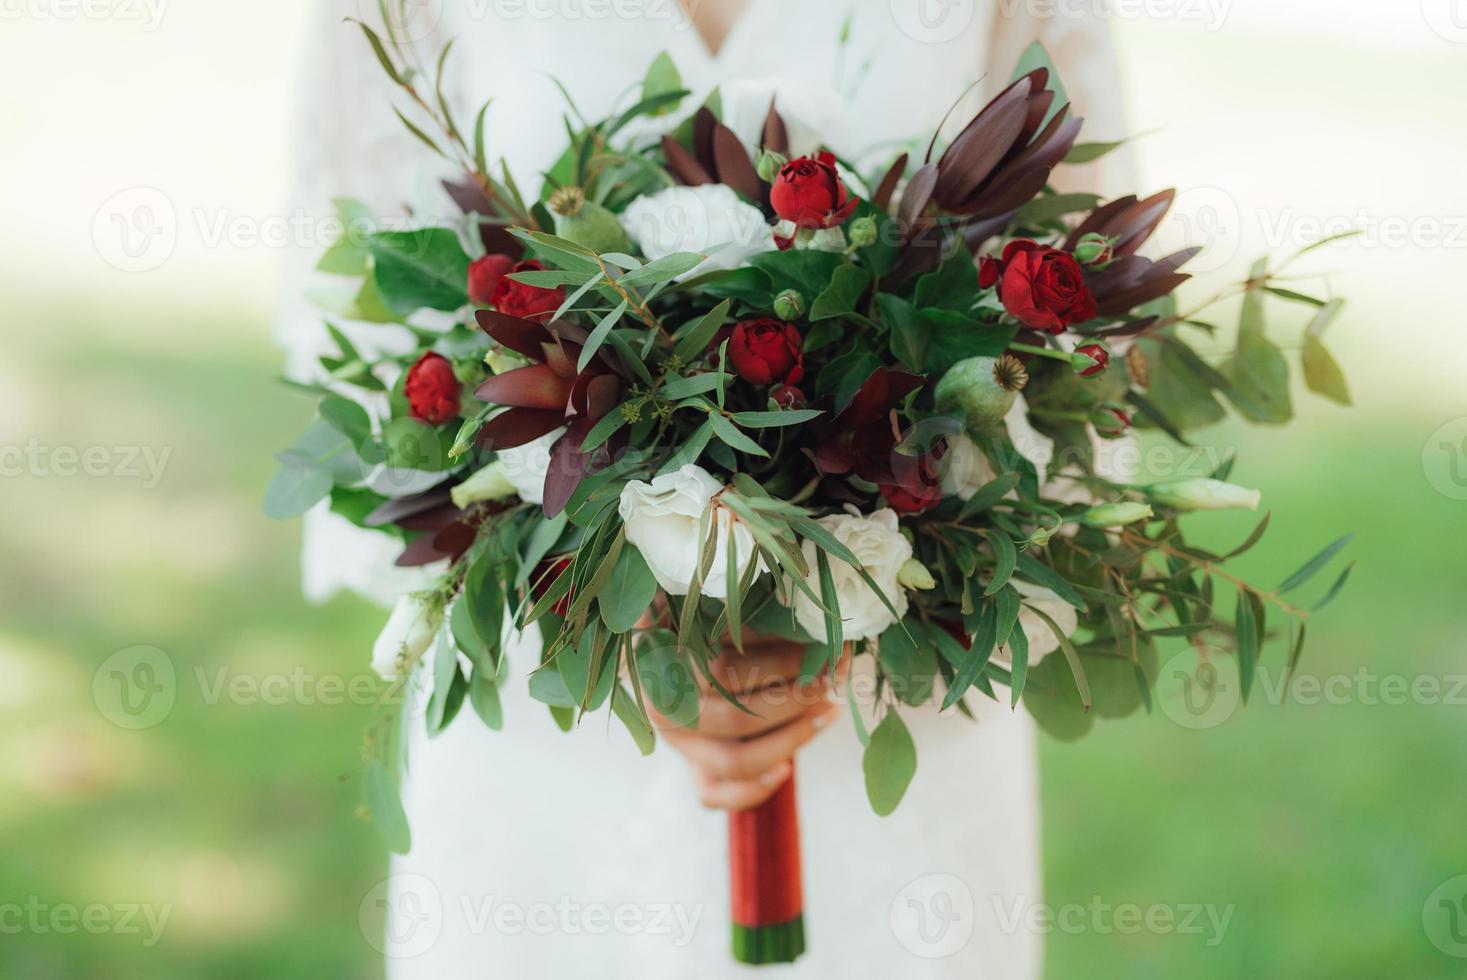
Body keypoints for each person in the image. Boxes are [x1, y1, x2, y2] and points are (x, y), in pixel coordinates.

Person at [277, 2, 1130, 975]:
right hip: (557, 721)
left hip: (897, 701)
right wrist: (629, 609)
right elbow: (360, 314)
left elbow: (1095, 339)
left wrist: (840, 603)